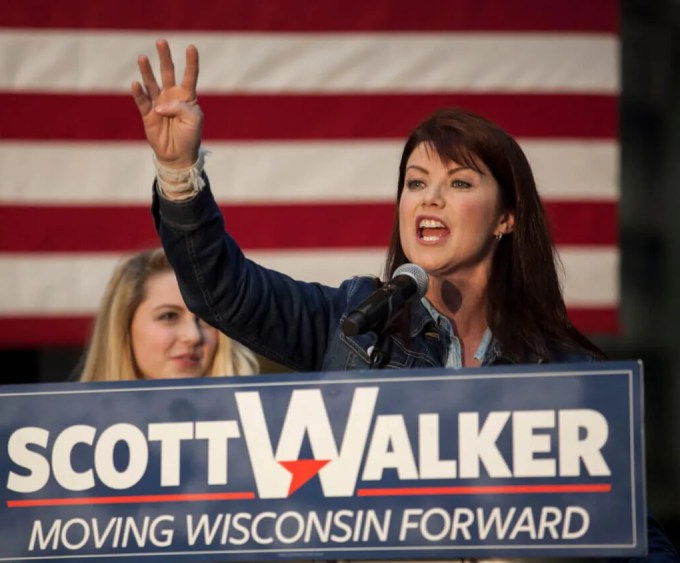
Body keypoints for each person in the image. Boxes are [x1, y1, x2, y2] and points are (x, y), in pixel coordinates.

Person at [131, 40, 679, 560]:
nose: (430, 197)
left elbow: (628, 533)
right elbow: (222, 291)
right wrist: (179, 172)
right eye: (415, 183)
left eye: (460, 183)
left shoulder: (566, 372)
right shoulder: (352, 321)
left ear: (507, 218)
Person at [79, 248, 258, 381]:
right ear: (123, 325)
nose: (193, 336)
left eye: (206, 319)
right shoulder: (70, 426)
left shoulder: (261, 426)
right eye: (169, 316)